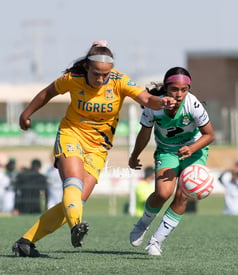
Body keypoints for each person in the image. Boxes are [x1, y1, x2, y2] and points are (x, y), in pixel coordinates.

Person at [11, 40, 176, 257]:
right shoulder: (73, 79)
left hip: (98, 148)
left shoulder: (119, 81)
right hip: (71, 135)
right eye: (96, 73)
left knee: (74, 203)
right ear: (87, 67)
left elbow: (146, 98)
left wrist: (161, 102)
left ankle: (25, 242)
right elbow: (47, 93)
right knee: (73, 184)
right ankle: (75, 227)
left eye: (104, 75)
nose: (100, 79)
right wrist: (26, 113)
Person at [128, 67, 215, 256]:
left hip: (194, 150)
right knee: (162, 193)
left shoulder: (193, 104)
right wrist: (134, 155)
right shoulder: (154, 106)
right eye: (175, 89)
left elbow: (209, 135)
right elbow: (144, 135)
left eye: (184, 89)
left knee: (183, 195)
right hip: (167, 151)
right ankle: (143, 223)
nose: (179, 94)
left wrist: (191, 148)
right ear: (166, 88)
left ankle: (156, 242)